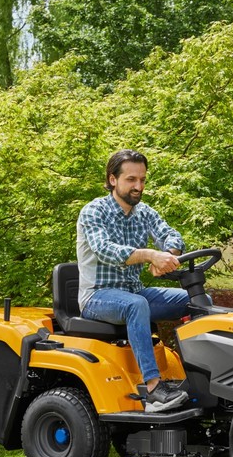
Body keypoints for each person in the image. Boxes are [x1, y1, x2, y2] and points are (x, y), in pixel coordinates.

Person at [77, 149, 190, 409]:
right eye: (131, 179)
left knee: (195, 300)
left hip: (135, 291)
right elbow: (105, 250)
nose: (138, 186)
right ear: (113, 179)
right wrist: (150, 255)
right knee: (135, 305)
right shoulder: (94, 211)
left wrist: (168, 255)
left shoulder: (144, 212)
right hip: (97, 296)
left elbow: (171, 235)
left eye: (142, 180)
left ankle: (198, 375)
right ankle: (152, 390)